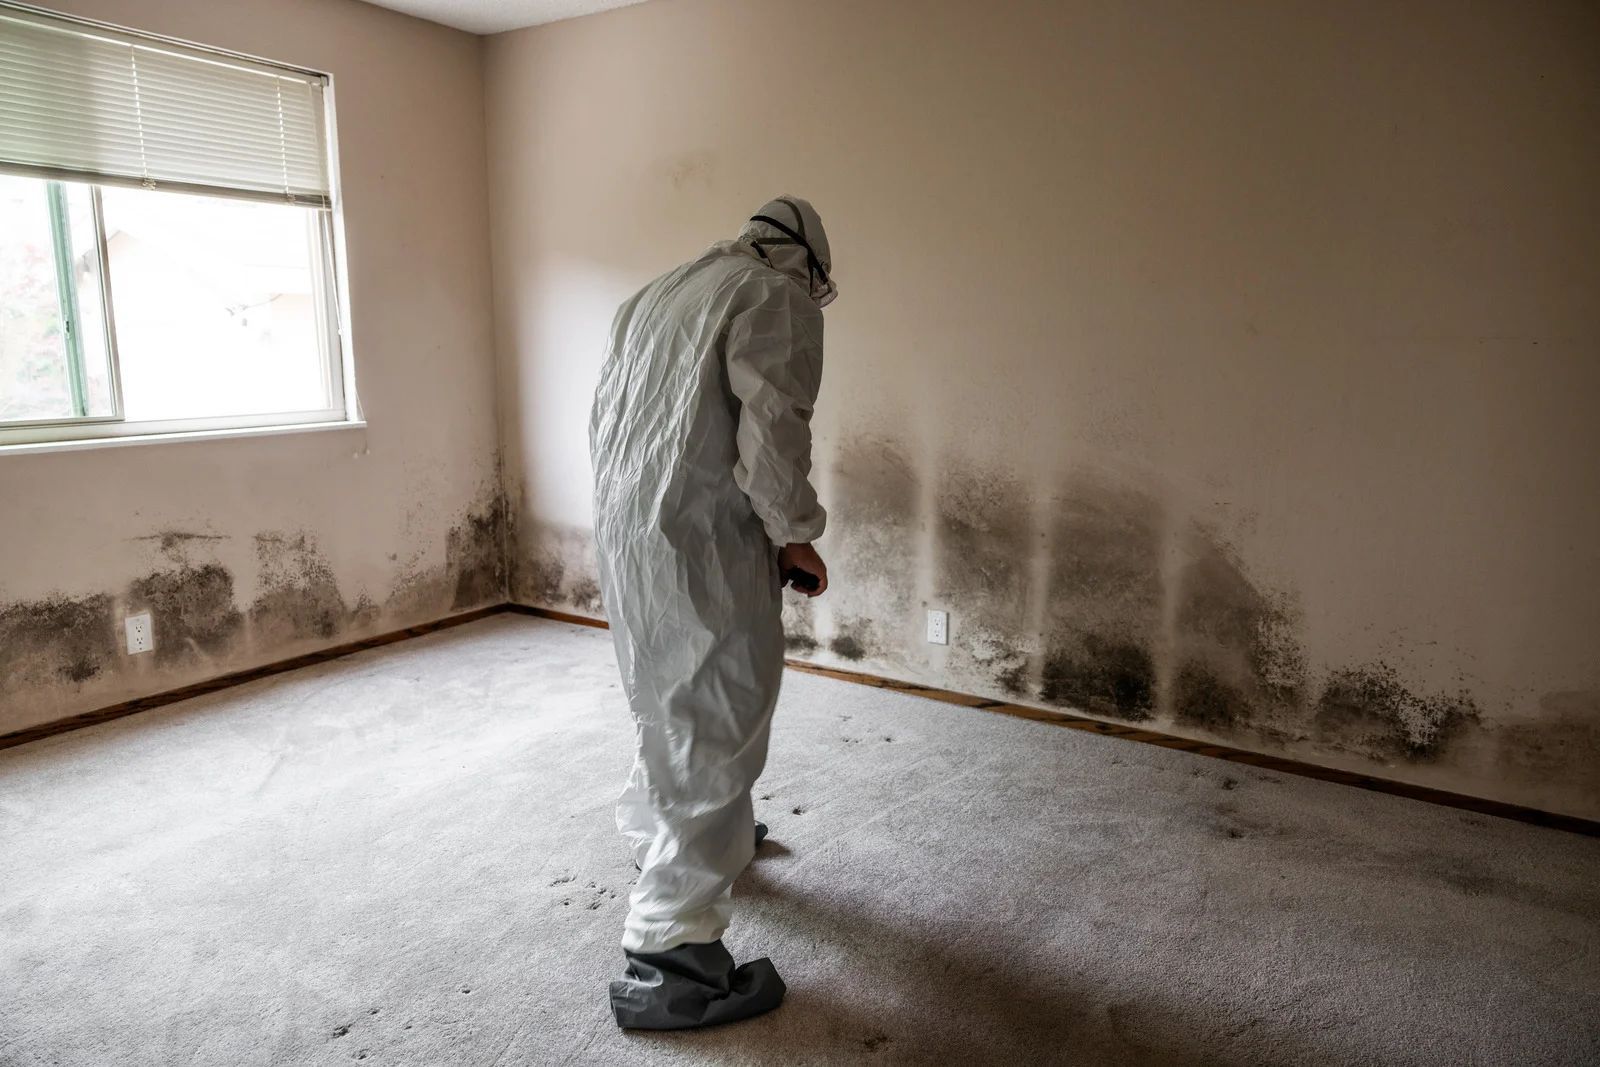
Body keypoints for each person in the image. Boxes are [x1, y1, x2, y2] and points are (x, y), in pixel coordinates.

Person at [589, 196, 836, 1029]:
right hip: (702, 537)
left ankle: (671, 832)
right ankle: (672, 954)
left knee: (666, 696)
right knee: (722, 710)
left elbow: (613, 419)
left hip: (631, 530)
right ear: (805, 262)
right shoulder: (774, 297)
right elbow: (773, 431)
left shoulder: (658, 293)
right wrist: (795, 535)